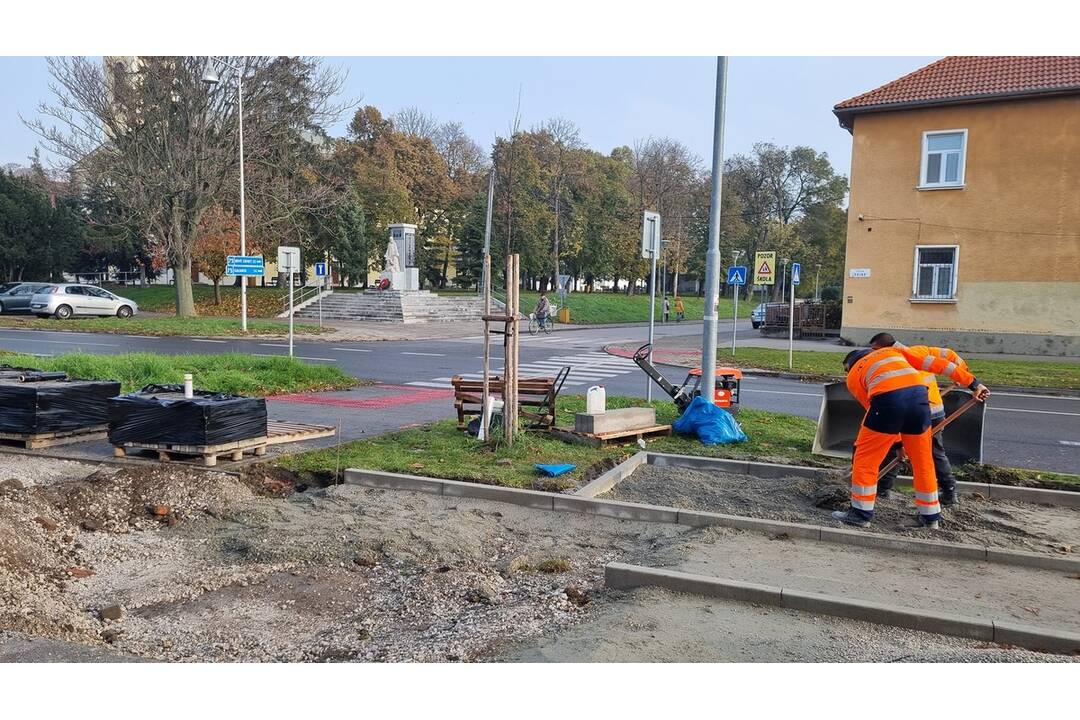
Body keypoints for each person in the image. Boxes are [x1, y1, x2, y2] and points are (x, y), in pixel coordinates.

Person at [831, 335, 989, 530]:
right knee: (923, 461)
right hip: (921, 401)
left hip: (887, 403)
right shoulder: (894, 352)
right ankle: (930, 518)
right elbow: (939, 364)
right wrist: (974, 384)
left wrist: (897, 444)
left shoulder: (853, 376)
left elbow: (876, 412)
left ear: (850, 365)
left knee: (865, 459)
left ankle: (859, 515)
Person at [871, 334, 979, 507]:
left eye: (874, 350)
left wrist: (964, 377)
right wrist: (962, 373)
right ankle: (948, 491)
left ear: (882, 348)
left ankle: (884, 488)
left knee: (902, 449)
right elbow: (949, 355)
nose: (873, 354)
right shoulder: (919, 350)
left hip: (914, 412)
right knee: (929, 451)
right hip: (933, 412)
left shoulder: (892, 362)